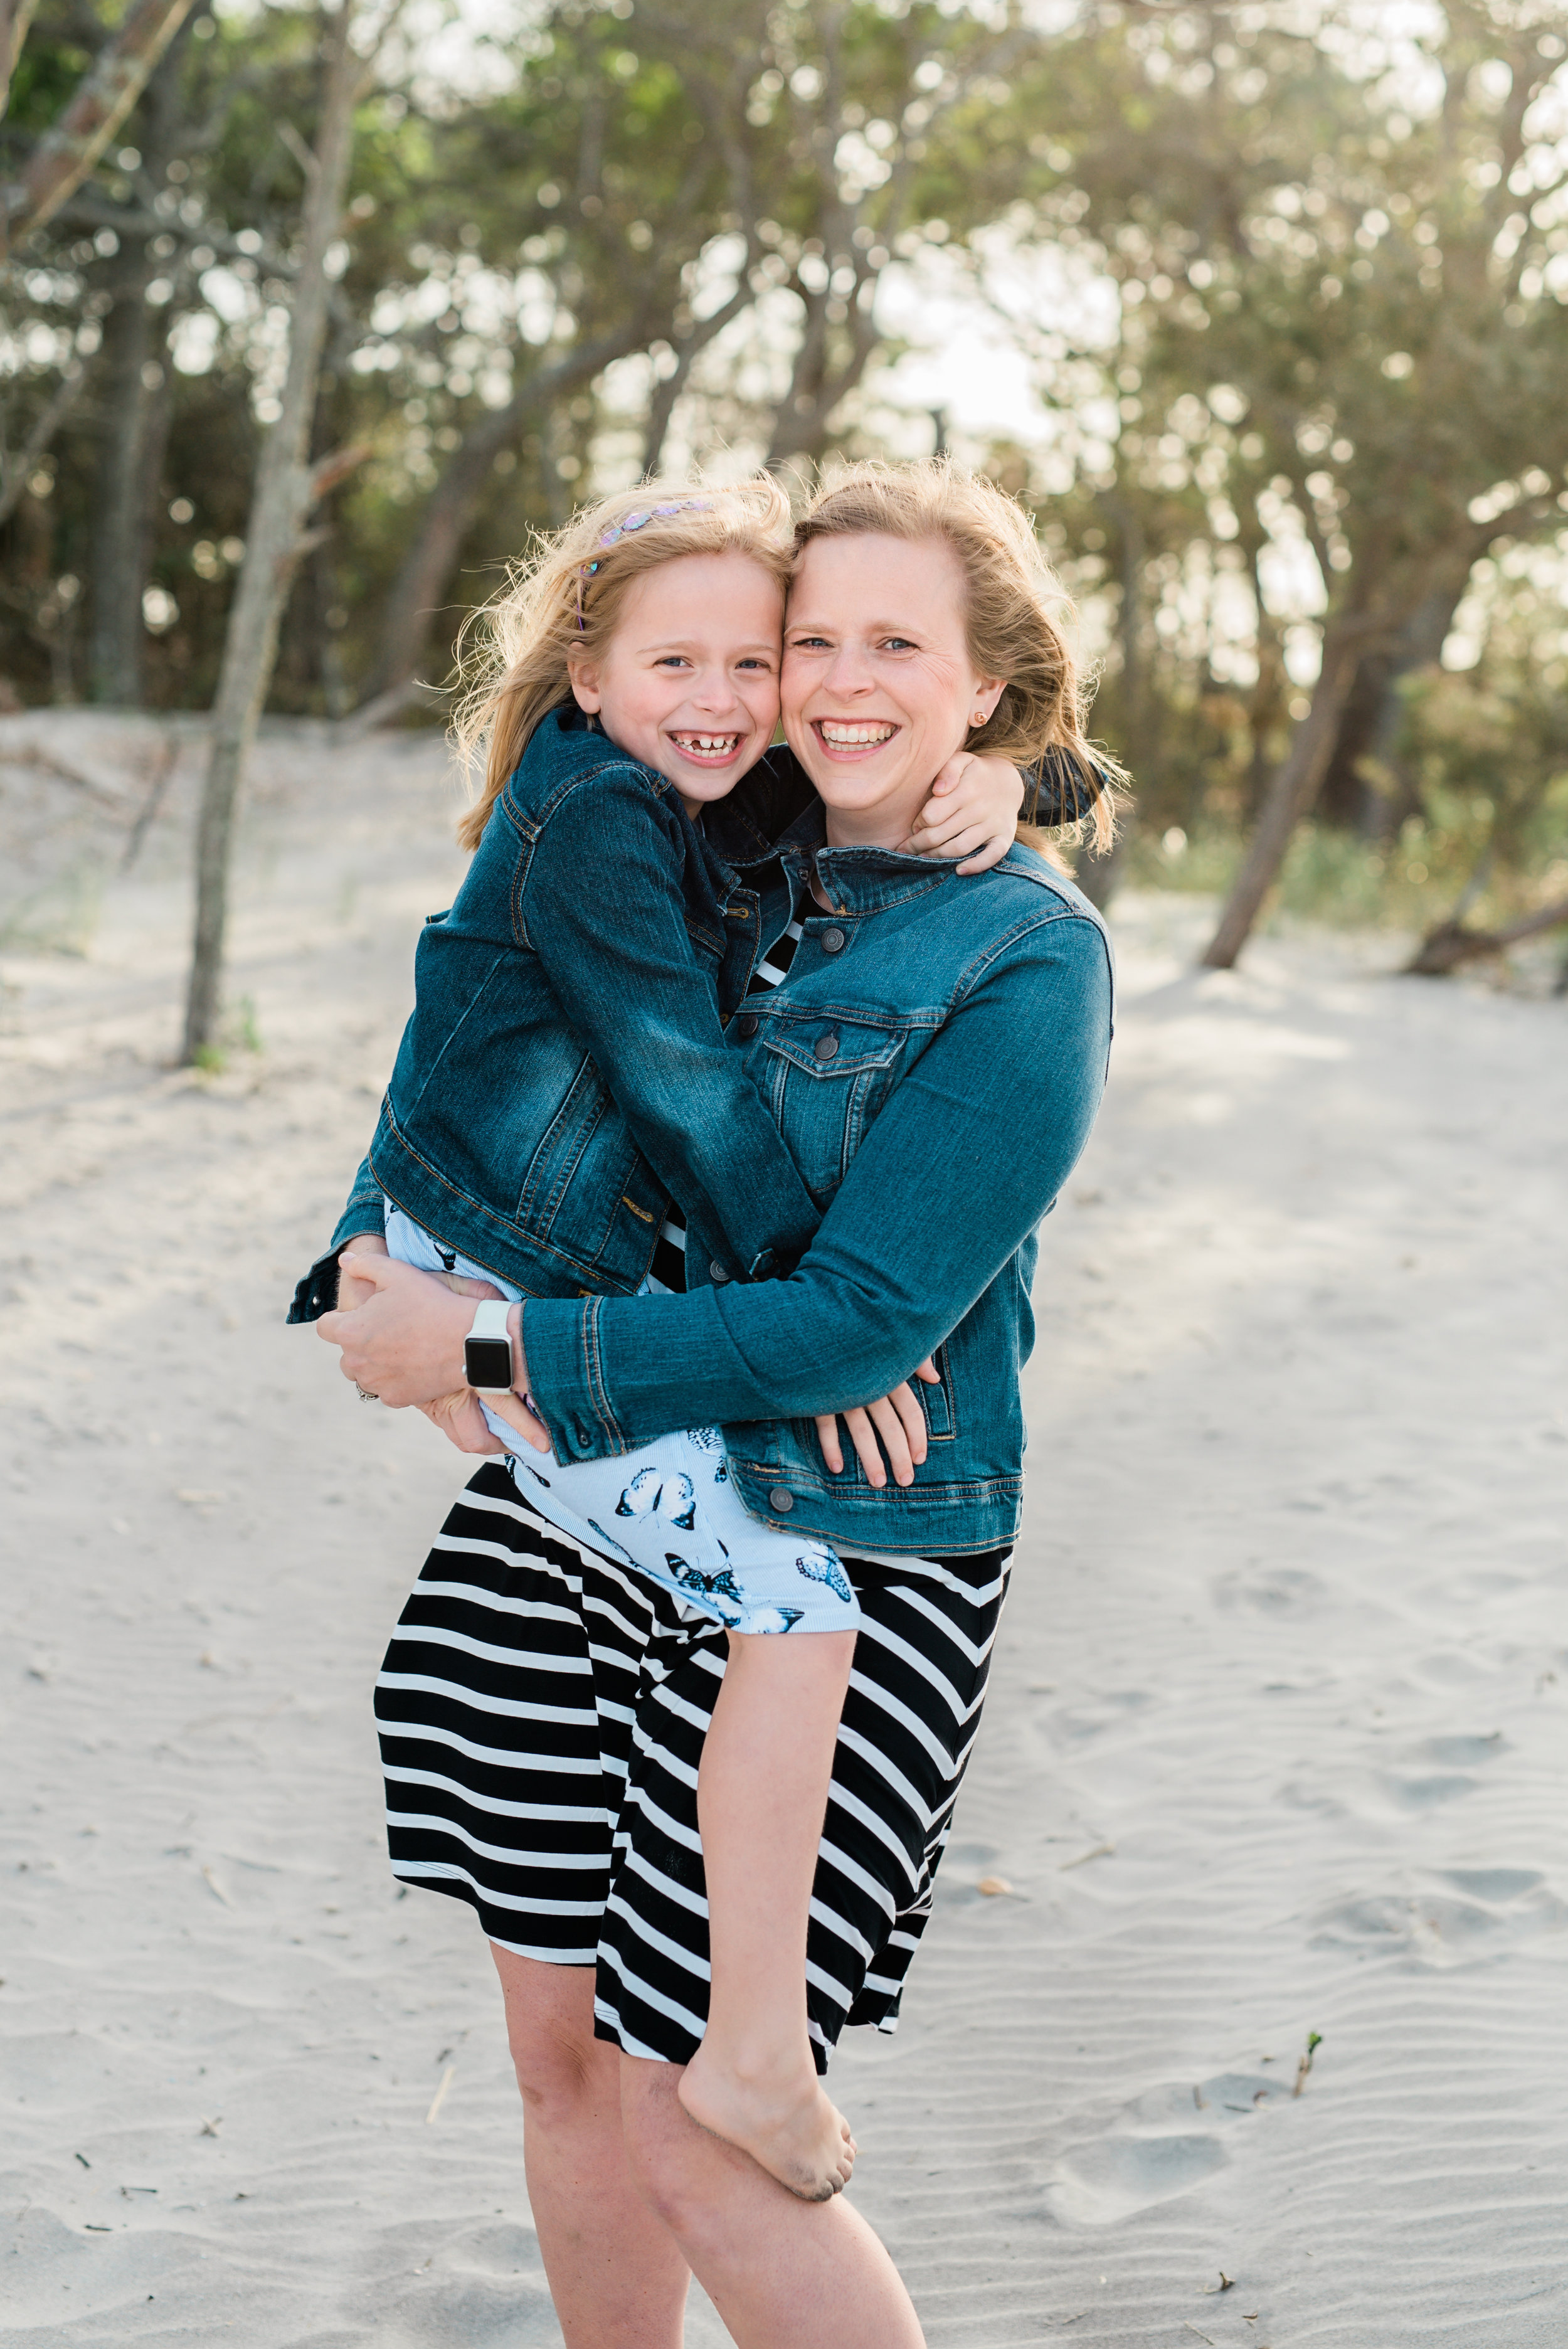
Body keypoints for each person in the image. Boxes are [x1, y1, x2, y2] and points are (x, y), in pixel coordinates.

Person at [320, 457, 1118, 2348]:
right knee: (559, 2066)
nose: (827, 681)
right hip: (594, 1505)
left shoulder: (1027, 955)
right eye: (802, 640)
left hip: (851, 1541)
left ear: (985, 684)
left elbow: (849, 1327)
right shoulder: (712, 813)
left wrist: (485, 1351)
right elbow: (478, 1029)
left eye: (890, 645)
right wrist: (373, 1243)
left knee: (698, 2121)